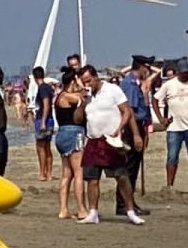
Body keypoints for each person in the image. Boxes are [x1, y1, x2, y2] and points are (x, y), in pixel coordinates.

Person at [75, 65, 145, 225]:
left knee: (121, 176)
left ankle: (130, 211)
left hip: (111, 139)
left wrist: (132, 133)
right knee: (92, 178)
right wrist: (83, 102)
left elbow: (127, 111)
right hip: (93, 139)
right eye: (84, 82)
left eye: (89, 81)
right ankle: (93, 212)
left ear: (96, 77)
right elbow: (78, 119)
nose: (88, 84)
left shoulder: (112, 90)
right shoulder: (87, 97)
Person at [152, 58, 188, 191]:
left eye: (187, 72)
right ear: (178, 72)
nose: (186, 75)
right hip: (174, 127)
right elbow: (155, 99)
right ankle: (170, 186)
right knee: (172, 157)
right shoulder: (169, 84)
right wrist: (161, 118)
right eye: (183, 73)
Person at [116, 54, 154, 216]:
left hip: (138, 126)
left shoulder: (135, 83)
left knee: (133, 168)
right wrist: (137, 134)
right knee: (129, 168)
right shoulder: (130, 84)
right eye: (147, 67)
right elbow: (129, 111)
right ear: (141, 66)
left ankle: (128, 202)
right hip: (132, 129)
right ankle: (124, 204)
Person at [55, 66, 88, 220]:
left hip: (62, 133)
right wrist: (80, 86)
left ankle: (63, 209)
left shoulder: (59, 96)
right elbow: (83, 98)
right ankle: (81, 208)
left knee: (66, 174)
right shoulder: (69, 97)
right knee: (78, 172)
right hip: (73, 133)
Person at [32, 66, 55, 181]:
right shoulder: (47, 88)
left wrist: (43, 121)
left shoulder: (43, 88)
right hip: (47, 119)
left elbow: (46, 104)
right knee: (46, 147)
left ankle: (43, 172)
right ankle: (48, 173)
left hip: (43, 119)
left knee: (41, 147)